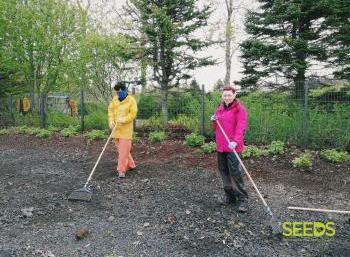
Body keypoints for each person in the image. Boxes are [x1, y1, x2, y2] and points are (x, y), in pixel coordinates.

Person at [211, 85, 248, 212]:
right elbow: (216, 128)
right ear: (222, 96)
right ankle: (230, 197)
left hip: (233, 146)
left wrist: (235, 141)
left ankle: (243, 199)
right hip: (221, 145)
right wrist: (214, 120)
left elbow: (241, 126)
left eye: (229, 95)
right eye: (224, 95)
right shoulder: (220, 108)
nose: (227, 97)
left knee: (235, 172)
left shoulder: (239, 109)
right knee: (223, 170)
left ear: (234, 95)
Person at [108, 81, 138, 178]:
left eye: (120, 92)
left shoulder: (131, 100)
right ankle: (131, 164)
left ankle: (121, 170)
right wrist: (111, 121)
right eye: (117, 92)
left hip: (126, 131)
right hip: (116, 130)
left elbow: (133, 114)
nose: (118, 94)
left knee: (122, 152)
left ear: (125, 90)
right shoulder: (115, 100)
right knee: (123, 151)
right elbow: (111, 111)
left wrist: (123, 119)